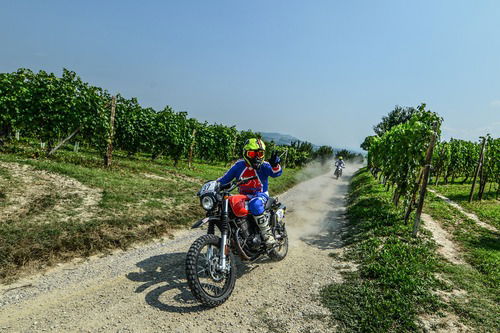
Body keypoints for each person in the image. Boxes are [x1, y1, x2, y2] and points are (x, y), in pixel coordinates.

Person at [217, 138, 282, 247]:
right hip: (244, 195)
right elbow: (224, 179)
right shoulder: (239, 166)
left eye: (260, 154)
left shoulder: (265, 165)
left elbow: (276, 173)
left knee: (255, 204)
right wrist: (212, 185)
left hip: (261, 194)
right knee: (228, 203)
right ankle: (236, 235)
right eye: (252, 153)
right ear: (245, 153)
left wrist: (275, 165)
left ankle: (268, 235)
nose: (256, 157)